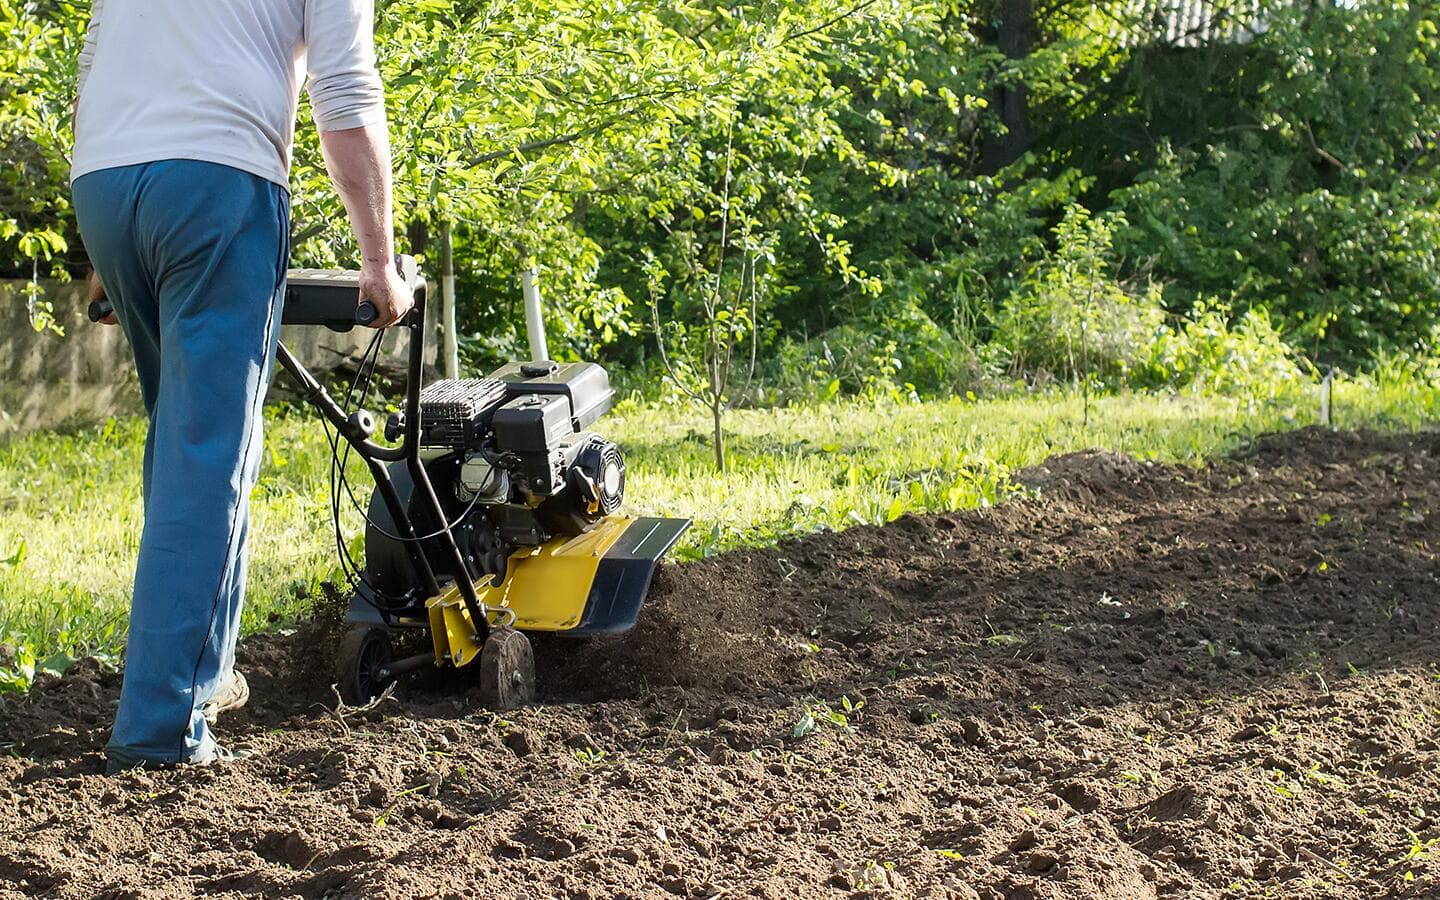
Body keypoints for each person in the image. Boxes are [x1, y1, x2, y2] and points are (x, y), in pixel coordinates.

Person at [71, 0, 414, 774]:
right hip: (216, 182)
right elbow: (348, 98)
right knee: (209, 455)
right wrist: (378, 259)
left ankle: (207, 675)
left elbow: (94, 67)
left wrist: (110, 240)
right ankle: (162, 728)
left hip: (105, 181)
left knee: (187, 441)